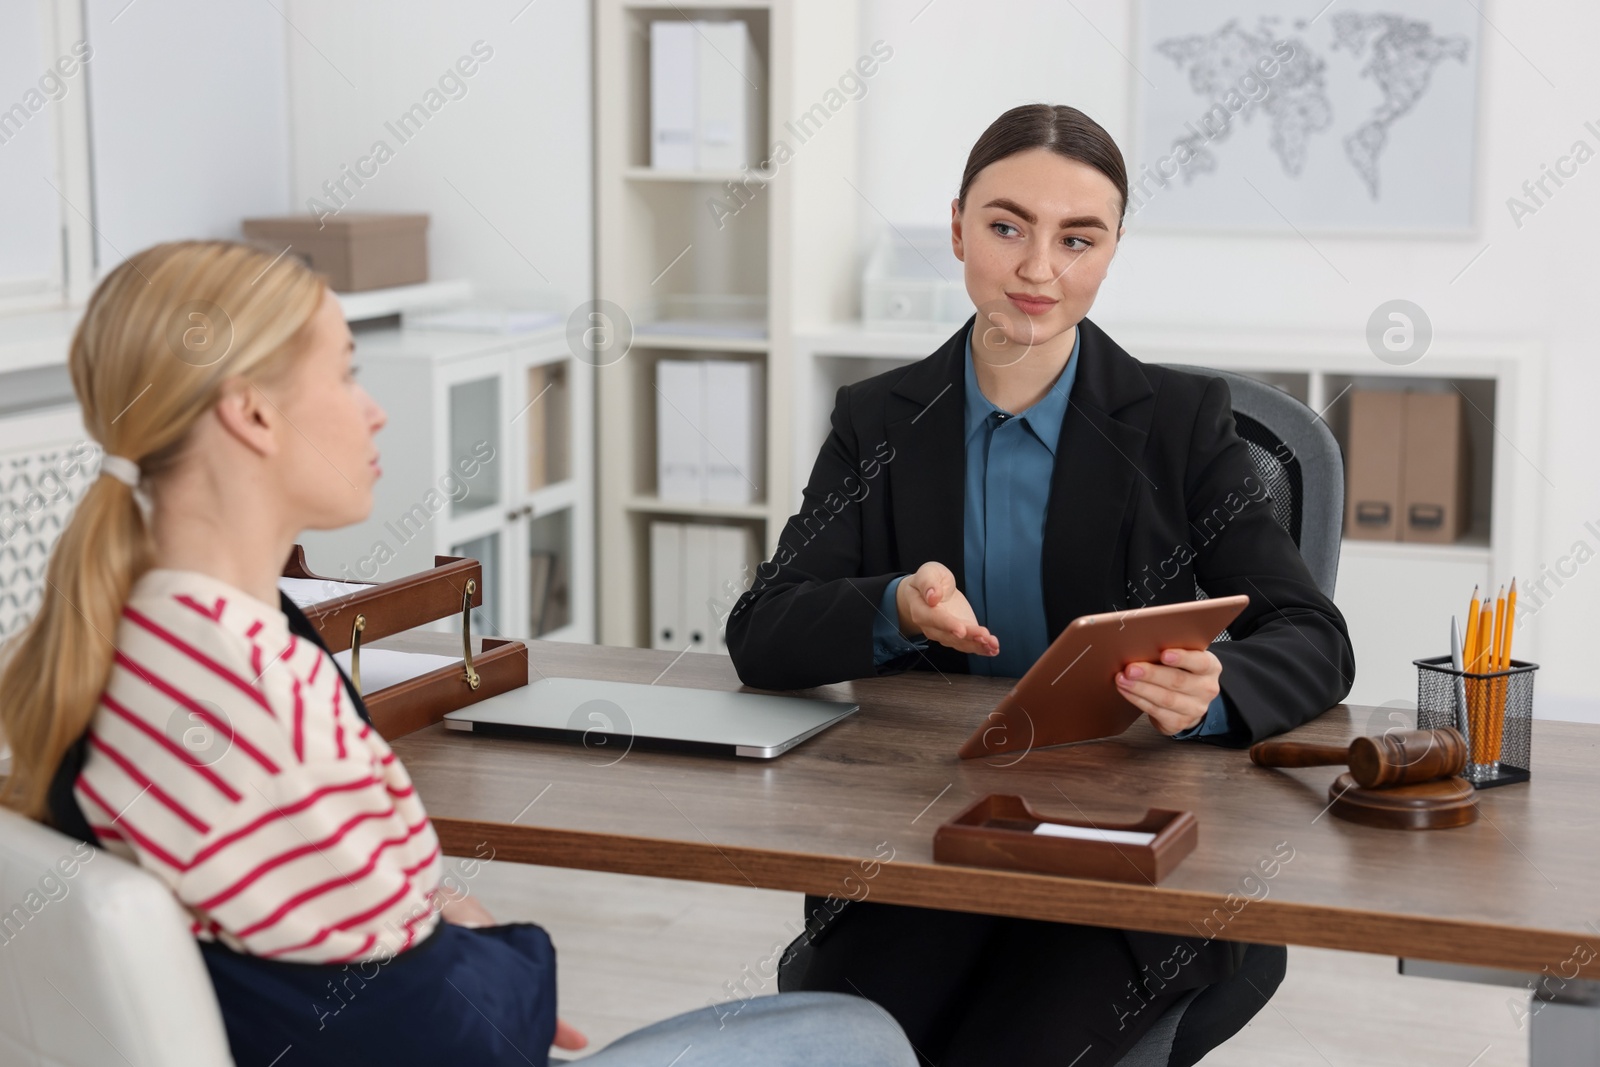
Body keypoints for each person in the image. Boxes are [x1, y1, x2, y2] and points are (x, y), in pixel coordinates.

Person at [0, 240, 917, 1067]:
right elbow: (427, 1027)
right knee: (859, 1037)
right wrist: (505, 953)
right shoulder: (238, 684)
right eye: (347, 375)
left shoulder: (164, 627)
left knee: (846, 1024)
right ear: (252, 415)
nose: (374, 413)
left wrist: (440, 928)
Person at [725, 104, 1357, 1066]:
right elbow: (761, 630)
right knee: (859, 1044)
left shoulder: (1183, 421)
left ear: (1112, 250)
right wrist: (893, 605)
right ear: (957, 229)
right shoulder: (877, 418)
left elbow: (1314, 635)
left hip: (1126, 865)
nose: (1037, 270)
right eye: (1007, 226)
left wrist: (1217, 688)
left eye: (1078, 238)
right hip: (927, 841)